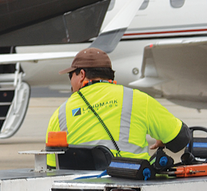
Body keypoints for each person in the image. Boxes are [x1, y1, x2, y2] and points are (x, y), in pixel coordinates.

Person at [48, 47, 190, 168]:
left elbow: (51, 166)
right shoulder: (137, 99)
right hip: (132, 187)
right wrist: (164, 137)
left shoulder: (60, 114)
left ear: (82, 75)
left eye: (70, 76)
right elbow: (180, 138)